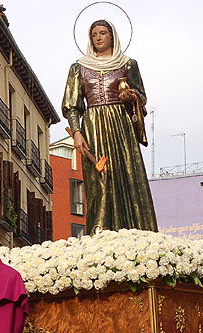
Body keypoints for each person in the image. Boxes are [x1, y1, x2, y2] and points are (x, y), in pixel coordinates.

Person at [62, 19, 157, 234]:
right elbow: (72, 105)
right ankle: (100, 230)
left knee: (127, 174)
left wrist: (130, 95)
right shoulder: (78, 67)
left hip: (120, 125)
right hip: (93, 126)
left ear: (112, 36)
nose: (98, 37)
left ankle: (136, 229)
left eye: (103, 33)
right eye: (94, 33)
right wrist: (76, 132)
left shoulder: (128, 64)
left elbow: (141, 96)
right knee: (99, 179)